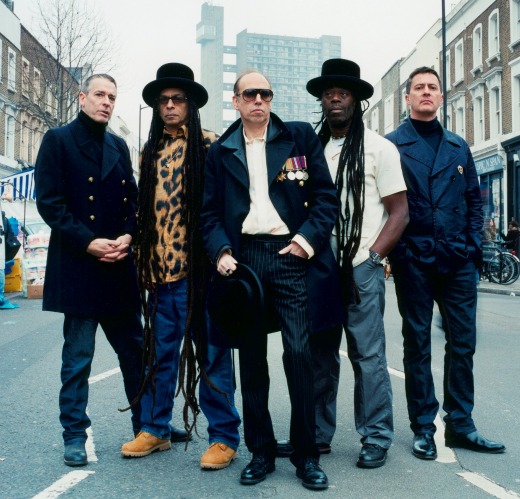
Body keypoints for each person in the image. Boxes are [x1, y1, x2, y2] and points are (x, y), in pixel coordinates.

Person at [200, 70, 342, 490]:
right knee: (252, 361)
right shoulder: (221, 150)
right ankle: (260, 451)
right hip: (245, 262)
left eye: (265, 93)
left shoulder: (298, 137)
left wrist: (305, 241)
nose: (258, 100)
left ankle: (306, 455)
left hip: (291, 254)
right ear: (236, 101)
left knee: (299, 354)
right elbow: (209, 214)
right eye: (250, 94)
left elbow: (325, 198)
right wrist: (221, 251)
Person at [120, 63, 241, 470]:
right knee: (158, 356)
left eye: (178, 99)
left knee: (213, 356)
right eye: (164, 101)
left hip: (202, 275)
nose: (170, 106)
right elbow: (143, 213)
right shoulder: (149, 151)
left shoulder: (211, 145)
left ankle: (223, 436)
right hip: (160, 275)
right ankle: (155, 429)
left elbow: (224, 207)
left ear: (191, 105)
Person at [385, 66, 505, 459]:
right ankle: (423, 427)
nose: (426, 92)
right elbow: (385, 204)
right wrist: (397, 252)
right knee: (417, 344)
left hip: (457, 260)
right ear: (407, 98)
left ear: (441, 96)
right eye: (418, 87)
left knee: (463, 343)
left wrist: (472, 247)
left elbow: (474, 200)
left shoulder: (457, 145)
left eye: (432, 87)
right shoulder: (391, 145)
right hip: (414, 260)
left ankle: (460, 424)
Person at [304, 58, 409, 468]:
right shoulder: (311, 149)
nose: (335, 99)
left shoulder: (380, 149)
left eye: (343, 93)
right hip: (319, 267)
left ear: (356, 101)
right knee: (320, 353)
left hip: (361, 265)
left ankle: (376, 436)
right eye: (329, 93)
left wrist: (374, 257)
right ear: (321, 100)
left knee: (367, 354)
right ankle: (317, 434)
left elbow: (399, 212)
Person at [35, 74, 144, 467]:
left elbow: (133, 201)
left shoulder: (118, 145)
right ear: (82, 98)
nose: (107, 102)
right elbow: (50, 203)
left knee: (135, 352)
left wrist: (128, 236)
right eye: (100, 94)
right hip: (79, 267)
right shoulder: (58, 140)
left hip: (117, 268)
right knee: (78, 359)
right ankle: (74, 435)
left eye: (112, 97)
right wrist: (88, 241)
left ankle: (146, 426)